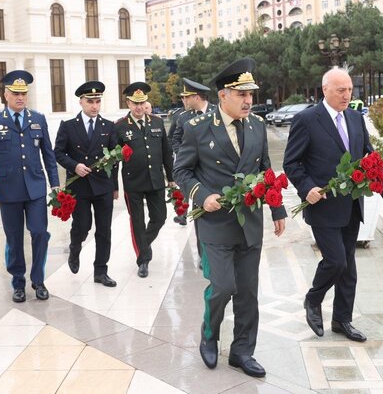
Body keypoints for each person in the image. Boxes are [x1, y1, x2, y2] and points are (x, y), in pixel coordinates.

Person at [174, 58, 286, 378]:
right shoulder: (197, 128)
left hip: (250, 221)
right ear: (223, 95)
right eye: (241, 94)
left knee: (248, 292)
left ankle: (242, 351)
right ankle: (209, 335)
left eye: (251, 93)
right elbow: (182, 170)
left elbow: (265, 170)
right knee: (222, 286)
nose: (249, 100)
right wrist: (201, 194)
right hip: (215, 222)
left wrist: (277, 209)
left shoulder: (256, 126)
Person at [282, 68, 383, 343]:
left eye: (350, 90)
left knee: (348, 267)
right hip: (323, 205)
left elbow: (370, 159)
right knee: (335, 261)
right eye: (341, 90)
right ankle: (313, 299)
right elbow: (292, 162)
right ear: (325, 89)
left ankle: (342, 320)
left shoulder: (355, 118)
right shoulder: (306, 119)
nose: (347, 95)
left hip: (351, 205)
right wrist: (307, 187)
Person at [0, 70, 59, 303]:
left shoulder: (38, 119)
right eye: (15, 93)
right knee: (14, 238)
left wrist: (55, 183)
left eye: (23, 93)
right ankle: (18, 281)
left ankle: (38, 279)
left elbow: (48, 153)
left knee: (39, 233)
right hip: (8, 191)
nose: (20, 97)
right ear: (5, 94)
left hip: (35, 187)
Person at [54, 81, 120, 287]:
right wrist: (74, 166)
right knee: (82, 226)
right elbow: (58, 152)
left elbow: (115, 158)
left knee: (104, 230)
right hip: (79, 186)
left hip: (103, 186)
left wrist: (115, 186)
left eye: (97, 101)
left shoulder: (108, 127)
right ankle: (75, 248)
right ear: (81, 101)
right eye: (90, 101)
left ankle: (101, 270)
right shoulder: (68, 126)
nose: (94, 106)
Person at [114, 82, 175, 278]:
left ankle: (143, 244)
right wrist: (114, 186)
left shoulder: (157, 122)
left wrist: (171, 177)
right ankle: (143, 260)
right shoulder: (120, 127)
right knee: (138, 221)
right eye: (135, 103)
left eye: (142, 103)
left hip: (156, 180)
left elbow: (166, 152)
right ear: (128, 103)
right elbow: (114, 160)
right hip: (133, 182)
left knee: (160, 218)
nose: (139, 107)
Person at [170, 78, 216, 227]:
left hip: (213, 167)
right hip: (191, 166)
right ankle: (186, 216)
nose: (185, 100)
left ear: (196, 97)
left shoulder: (217, 112)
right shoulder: (183, 117)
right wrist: (184, 155)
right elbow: (175, 139)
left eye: (187, 96)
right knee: (194, 194)